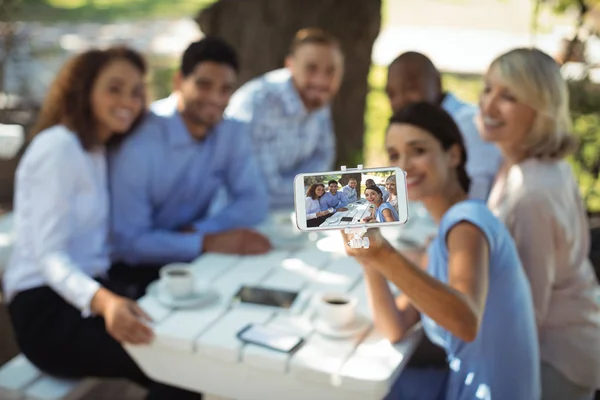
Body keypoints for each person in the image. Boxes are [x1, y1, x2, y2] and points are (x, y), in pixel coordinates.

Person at [3, 47, 202, 399]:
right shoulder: (58, 148)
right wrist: (106, 303)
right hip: (47, 312)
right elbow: (50, 257)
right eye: (115, 88)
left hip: (92, 288)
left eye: (137, 91)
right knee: (179, 370)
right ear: (84, 90)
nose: (129, 100)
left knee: (190, 320)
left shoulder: (97, 150)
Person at [346, 102, 540, 400]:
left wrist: (382, 253)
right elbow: (395, 327)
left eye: (418, 150)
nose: (404, 165)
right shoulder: (440, 238)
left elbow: (466, 321)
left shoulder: (467, 224)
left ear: (453, 155)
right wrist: (369, 260)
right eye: (394, 155)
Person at [109, 37, 271, 298]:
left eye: (225, 89)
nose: (215, 98)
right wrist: (208, 242)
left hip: (195, 259)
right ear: (178, 82)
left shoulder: (230, 131)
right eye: (203, 85)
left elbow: (255, 200)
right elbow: (129, 243)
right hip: (133, 272)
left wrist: (202, 231)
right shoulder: (139, 144)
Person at [480, 47, 600, 400]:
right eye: (488, 89)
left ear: (540, 109)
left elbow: (526, 310)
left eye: (509, 97)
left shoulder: (531, 194)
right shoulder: (531, 164)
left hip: (556, 356)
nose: (487, 106)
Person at [225, 27, 344, 210]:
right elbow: (261, 187)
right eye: (311, 68)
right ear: (290, 65)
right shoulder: (258, 104)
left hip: (294, 216)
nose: (321, 80)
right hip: (240, 214)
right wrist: (315, 194)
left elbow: (323, 157)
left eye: (330, 71)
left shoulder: (318, 98)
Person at [386, 51, 502, 200]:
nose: (400, 101)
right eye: (391, 94)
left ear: (437, 83)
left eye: (410, 88)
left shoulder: (469, 124)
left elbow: (475, 195)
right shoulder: (412, 128)